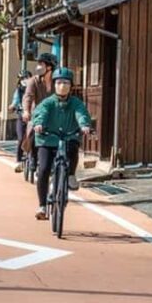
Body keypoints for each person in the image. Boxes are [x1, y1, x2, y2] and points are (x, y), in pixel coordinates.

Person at [31, 67, 92, 220]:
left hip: (68, 137)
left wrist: (84, 125)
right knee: (44, 169)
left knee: (73, 149)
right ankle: (42, 206)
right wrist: (38, 124)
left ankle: (70, 174)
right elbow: (41, 113)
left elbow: (81, 114)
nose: (62, 85)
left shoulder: (76, 103)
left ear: (71, 85)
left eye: (66, 82)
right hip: (47, 138)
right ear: (54, 84)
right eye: (59, 82)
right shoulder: (48, 102)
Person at [21, 52, 58, 171]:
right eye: (38, 64)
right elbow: (28, 97)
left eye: (41, 64)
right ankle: (32, 155)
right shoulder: (34, 81)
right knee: (31, 130)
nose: (38, 67)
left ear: (49, 67)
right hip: (37, 113)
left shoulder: (57, 82)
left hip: (53, 114)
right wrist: (26, 111)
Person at [8, 70, 32, 172]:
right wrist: (12, 106)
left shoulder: (34, 89)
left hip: (33, 119)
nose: (24, 80)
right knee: (21, 138)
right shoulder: (19, 91)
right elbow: (15, 100)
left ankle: (34, 159)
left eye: (26, 78)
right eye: (22, 78)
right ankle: (18, 161)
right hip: (21, 118)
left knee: (35, 139)